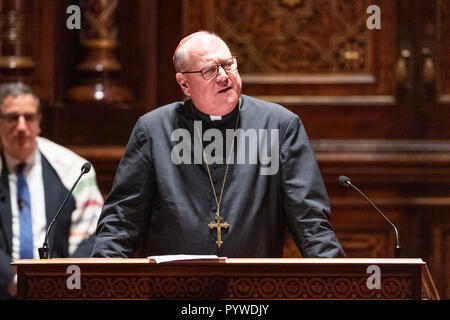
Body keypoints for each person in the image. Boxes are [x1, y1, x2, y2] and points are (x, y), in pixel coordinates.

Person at [92, 31, 345, 259]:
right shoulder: (154, 130)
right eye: (210, 70)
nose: (224, 76)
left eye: (228, 65)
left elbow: (310, 221)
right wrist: (100, 282)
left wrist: (338, 282)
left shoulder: (280, 126)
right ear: (184, 84)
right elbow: (122, 221)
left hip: (255, 291)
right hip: (172, 288)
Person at [0, 82, 103, 299]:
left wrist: (61, 282)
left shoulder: (74, 169)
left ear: (39, 122)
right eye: (11, 117)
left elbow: (93, 233)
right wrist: (12, 279)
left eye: (28, 117)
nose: (21, 127)